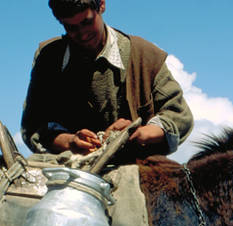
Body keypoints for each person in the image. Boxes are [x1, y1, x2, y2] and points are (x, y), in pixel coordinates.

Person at [21, 0, 193, 159]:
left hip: (138, 169)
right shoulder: (49, 59)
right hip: (71, 172)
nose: (82, 34)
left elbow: (179, 117)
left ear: (101, 5)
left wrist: (139, 132)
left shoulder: (145, 55)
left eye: (87, 22)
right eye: (71, 27)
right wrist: (70, 142)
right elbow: (33, 126)